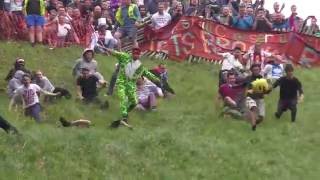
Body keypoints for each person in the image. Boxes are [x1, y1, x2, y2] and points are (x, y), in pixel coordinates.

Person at [105, 47, 160, 128]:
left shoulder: (139, 65)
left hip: (131, 85)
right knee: (122, 98)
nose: (136, 56)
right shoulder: (124, 56)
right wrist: (110, 51)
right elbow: (115, 53)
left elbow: (146, 72)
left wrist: (156, 79)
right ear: (132, 53)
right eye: (134, 54)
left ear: (139, 55)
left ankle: (125, 113)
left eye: (137, 55)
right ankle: (125, 117)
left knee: (134, 102)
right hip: (122, 83)